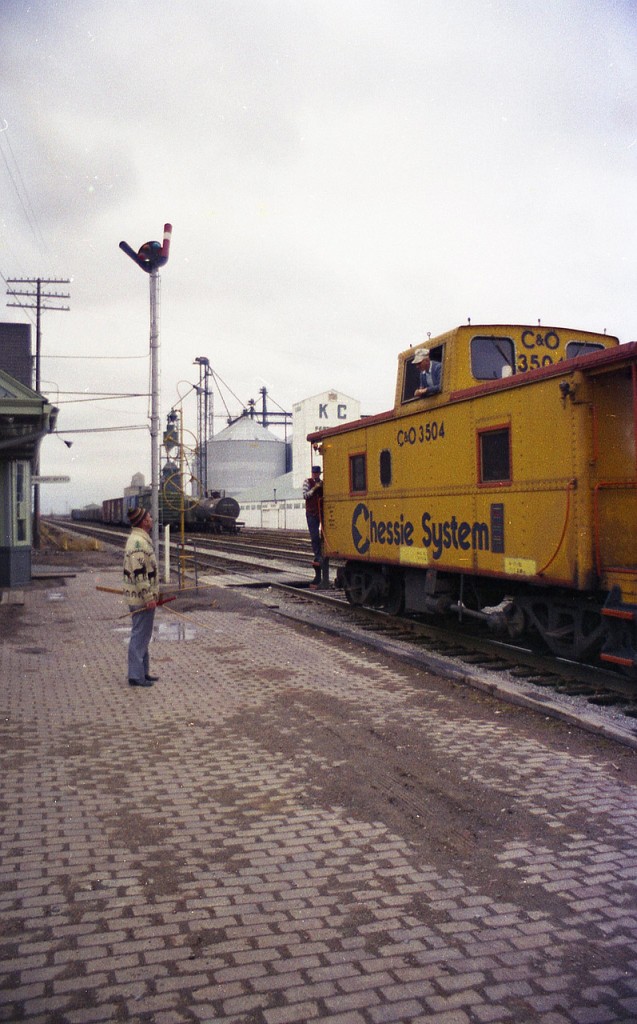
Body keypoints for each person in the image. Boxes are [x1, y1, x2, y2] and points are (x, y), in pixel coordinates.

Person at [123, 506, 160, 687]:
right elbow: (140, 574)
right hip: (140, 598)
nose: (152, 519)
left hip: (141, 596)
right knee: (139, 636)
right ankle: (136, 676)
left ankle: (142, 672)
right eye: (150, 517)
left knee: (143, 636)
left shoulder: (140, 540)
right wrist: (148, 597)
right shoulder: (138, 543)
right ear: (144, 522)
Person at [303, 465, 323, 587]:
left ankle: (321, 554)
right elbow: (305, 495)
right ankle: (317, 555)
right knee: (314, 536)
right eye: (314, 473)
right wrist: (315, 489)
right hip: (311, 513)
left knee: (321, 536)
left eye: (317, 473)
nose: (316, 475)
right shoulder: (307, 482)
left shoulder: (322, 483)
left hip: (320, 512)